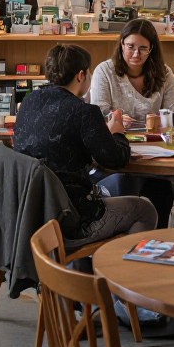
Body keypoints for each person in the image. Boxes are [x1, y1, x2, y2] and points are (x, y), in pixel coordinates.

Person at [12, 43, 157, 245]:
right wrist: (117, 132)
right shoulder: (84, 112)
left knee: (110, 188)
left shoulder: (29, 102)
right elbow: (116, 160)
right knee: (145, 210)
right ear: (81, 75)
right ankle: (118, 264)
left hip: (31, 211)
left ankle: (84, 262)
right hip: (71, 217)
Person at [87, 18, 174, 225]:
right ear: (121, 44)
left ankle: (158, 239)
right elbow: (98, 112)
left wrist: (160, 120)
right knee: (126, 187)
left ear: (152, 49)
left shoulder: (164, 73)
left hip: (154, 155)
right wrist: (114, 117)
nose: (136, 54)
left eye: (143, 48)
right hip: (117, 153)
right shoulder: (105, 71)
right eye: (130, 47)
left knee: (163, 192)